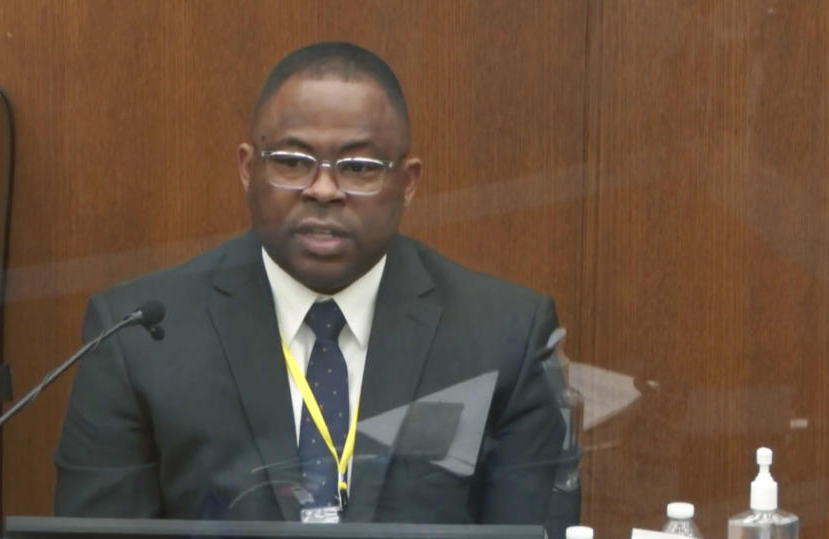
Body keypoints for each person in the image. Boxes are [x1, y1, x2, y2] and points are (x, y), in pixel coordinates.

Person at [54, 41, 565, 527]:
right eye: (293, 163)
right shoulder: (137, 338)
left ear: (407, 184)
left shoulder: (505, 337)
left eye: (359, 167)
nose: (323, 189)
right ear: (248, 169)